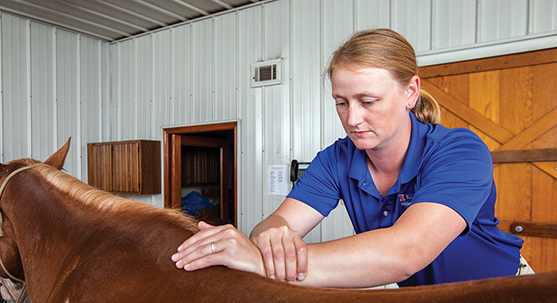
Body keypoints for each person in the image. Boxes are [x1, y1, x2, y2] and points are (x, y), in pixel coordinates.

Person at [172, 28, 527, 288]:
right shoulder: (336, 159)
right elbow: (274, 224)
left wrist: (260, 263)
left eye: (368, 101)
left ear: (411, 92)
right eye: (341, 102)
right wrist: (269, 239)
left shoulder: (460, 151)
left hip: (500, 294)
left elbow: (406, 251)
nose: (352, 119)